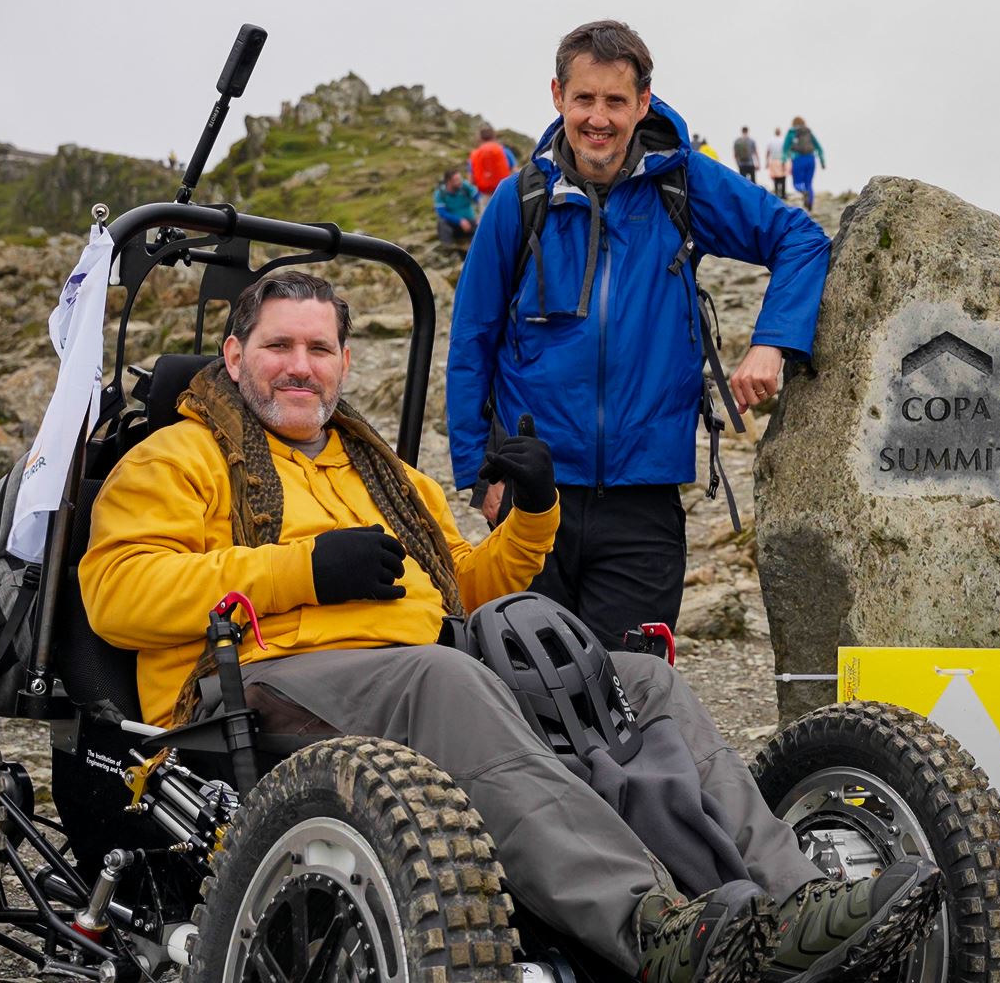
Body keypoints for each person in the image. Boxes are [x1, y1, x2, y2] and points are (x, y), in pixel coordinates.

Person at [82, 272, 939, 983]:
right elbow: (116, 591)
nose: (299, 367)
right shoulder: (176, 457)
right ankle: (651, 928)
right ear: (235, 357)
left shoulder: (383, 475)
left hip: (409, 670)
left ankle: (793, 909)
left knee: (637, 681)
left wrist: (532, 512)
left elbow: (462, 586)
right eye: (278, 346)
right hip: (251, 686)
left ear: (344, 361)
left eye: (318, 349)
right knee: (446, 679)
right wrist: (301, 569)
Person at [447, 20, 831, 646]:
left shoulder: (683, 184)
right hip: (534, 494)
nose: (599, 118)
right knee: (529, 692)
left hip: (644, 498)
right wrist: (479, 475)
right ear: (557, 97)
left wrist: (772, 343)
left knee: (634, 693)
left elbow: (801, 238)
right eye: (585, 99)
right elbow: (471, 341)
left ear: (643, 103)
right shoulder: (520, 202)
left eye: (615, 101)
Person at [780, 118, 825, 212]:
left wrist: (783, 162)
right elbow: (819, 147)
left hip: (798, 160)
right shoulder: (808, 132)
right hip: (811, 159)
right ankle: (810, 207)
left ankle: (803, 192)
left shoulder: (791, 133)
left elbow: (785, 150)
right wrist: (822, 161)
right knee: (809, 183)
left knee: (797, 183)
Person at [470, 124, 515, 217]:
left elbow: (471, 180)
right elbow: (515, 172)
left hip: (485, 196)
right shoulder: (504, 151)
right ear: (494, 136)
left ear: (480, 138)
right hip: (504, 193)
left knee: (487, 222)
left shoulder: (475, 154)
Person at [434, 168, 480, 245]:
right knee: (441, 223)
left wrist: (481, 215)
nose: (460, 181)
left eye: (460, 178)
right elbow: (442, 213)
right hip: (454, 224)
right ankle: (448, 247)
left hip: (470, 222)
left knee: (480, 227)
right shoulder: (440, 193)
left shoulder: (465, 186)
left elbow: (479, 199)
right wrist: (459, 220)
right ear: (449, 182)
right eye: (457, 180)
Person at [763, 126, 789, 201]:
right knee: (783, 178)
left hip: (774, 160)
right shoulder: (783, 140)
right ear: (780, 132)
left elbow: (768, 152)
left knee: (776, 178)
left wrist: (767, 162)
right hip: (781, 160)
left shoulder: (771, 140)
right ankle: (783, 194)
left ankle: (777, 193)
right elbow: (786, 151)